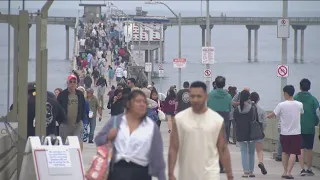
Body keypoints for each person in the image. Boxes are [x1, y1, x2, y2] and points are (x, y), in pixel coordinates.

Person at [94, 90, 166, 180]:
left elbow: (158, 155)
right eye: (138, 101)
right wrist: (108, 137)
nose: (142, 104)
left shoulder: (151, 126)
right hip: (117, 171)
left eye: (144, 102)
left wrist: (162, 176)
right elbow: (98, 140)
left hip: (141, 173)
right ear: (128, 104)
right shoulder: (116, 121)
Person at [168, 81, 233, 180]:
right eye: (192, 96)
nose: (195, 99)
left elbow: (223, 148)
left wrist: (230, 174)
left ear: (206, 97)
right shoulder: (179, 119)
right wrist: (171, 173)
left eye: (199, 96)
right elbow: (173, 147)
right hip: (186, 175)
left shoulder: (217, 120)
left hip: (210, 175)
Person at [267, 85, 304, 179]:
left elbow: (272, 114)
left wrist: (266, 116)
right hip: (296, 133)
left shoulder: (281, 105)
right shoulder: (299, 104)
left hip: (284, 133)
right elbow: (302, 113)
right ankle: (288, 172)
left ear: (286, 93)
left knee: (284, 152)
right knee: (293, 153)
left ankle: (284, 172)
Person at [207, 76, 232, 173]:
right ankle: (221, 166)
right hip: (224, 121)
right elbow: (230, 109)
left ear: (215, 84)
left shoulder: (210, 95)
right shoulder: (228, 96)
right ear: (224, 84)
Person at [294, 78, 319, 176]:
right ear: (309, 87)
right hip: (310, 128)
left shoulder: (296, 98)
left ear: (300, 87)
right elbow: (317, 113)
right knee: (309, 148)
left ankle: (301, 168)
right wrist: (315, 122)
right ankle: (309, 168)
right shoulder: (313, 100)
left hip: (298, 127)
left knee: (300, 148)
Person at [57, 74, 86, 150]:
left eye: (74, 82)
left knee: (76, 145)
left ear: (76, 83)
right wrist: (61, 121)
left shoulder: (80, 94)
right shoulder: (62, 95)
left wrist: (81, 119)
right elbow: (57, 109)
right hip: (65, 125)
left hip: (77, 124)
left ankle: (76, 159)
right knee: (64, 146)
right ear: (67, 83)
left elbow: (83, 107)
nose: (72, 84)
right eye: (71, 82)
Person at [233, 90, 259, 177]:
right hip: (251, 133)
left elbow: (235, 121)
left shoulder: (237, 109)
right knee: (251, 152)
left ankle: (245, 172)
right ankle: (251, 171)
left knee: (243, 152)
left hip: (241, 133)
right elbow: (254, 119)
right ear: (249, 98)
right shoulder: (252, 108)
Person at [250, 92, 268, 175]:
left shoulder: (247, 109)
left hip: (249, 133)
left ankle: (250, 170)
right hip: (259, 132)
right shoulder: (262, 110)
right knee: (259, 150)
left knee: (250, 152)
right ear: (258, 100)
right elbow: (265, 123)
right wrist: (261, 130)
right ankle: (261, 162)